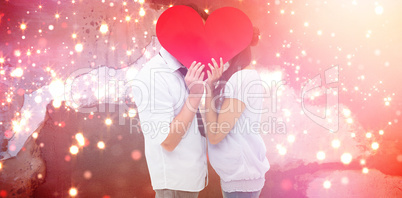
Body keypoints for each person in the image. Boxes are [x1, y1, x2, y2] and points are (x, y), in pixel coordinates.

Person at [132, 5, 209, 198]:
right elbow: (167, 140)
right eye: (201, 34)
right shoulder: (153, 76)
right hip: (174, 184)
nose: (205, 42)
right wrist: (195, 96)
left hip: (192, 180)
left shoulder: (189, 68)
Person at [204, 27, 270, 198]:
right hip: (238, 172)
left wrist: (209, 88)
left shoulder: (241, 78)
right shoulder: (240, 76)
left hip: (241, 172)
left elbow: (216, 134)